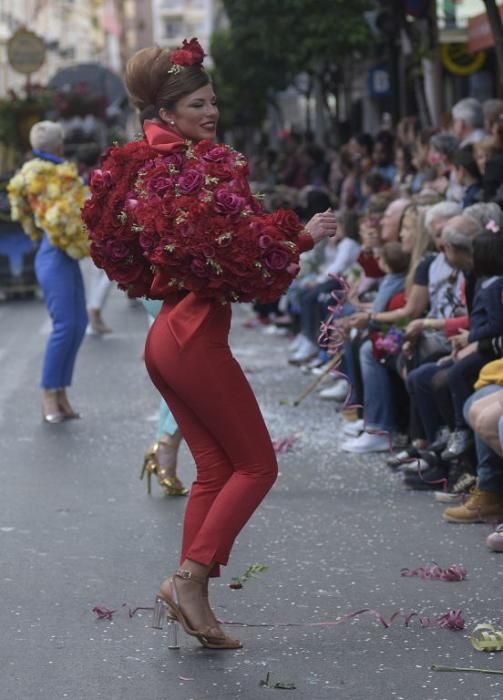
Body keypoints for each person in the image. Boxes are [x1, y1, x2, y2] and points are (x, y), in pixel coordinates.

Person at [83, 39, 337, 650]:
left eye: (213, 101)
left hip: (169, 334)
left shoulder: (148, 164)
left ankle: (190, 593)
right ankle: (189, 580)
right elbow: (239, 254)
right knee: (257, 465)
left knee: (217, 470)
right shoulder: (196, 165)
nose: (212, 111)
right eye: (199, 103)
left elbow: (134, 248)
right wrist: (299, 238)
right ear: (167, 112)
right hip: (191, 336)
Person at [8, 121, 89, 422]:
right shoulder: (42, 173)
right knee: (66, 325)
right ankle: (48, 395)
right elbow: (60, 217)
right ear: (59, 146)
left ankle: (61, 391)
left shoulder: (54, 172)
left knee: (78, 323)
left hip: (61, 255)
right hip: (53, 253)